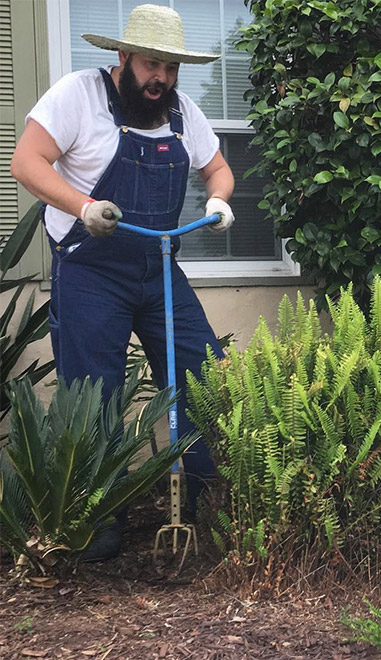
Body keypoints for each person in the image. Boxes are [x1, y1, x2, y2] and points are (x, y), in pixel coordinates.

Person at [10, 4, 234, 560]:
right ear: (123, 56)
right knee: (94, 394)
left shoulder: (182, 112)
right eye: (153, 65)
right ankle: (98, 525)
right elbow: (26, 161)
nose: (162, 78)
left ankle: (212, 510)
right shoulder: (76, 95)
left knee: (202, 377)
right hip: (90, 268)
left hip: (157, 268)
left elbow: (220, 169)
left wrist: (219, 201)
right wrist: (83, 207)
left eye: (172, 68)